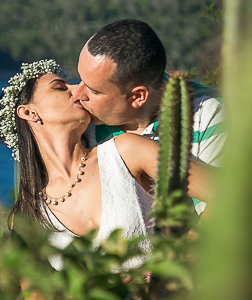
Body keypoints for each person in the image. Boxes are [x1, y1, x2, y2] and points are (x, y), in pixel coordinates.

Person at [0, 59, 214, 300]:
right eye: (59, 86)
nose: (76, 90)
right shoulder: (27, 216)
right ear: (28, 113)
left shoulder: (126, 151)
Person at [72, 19, 225, 214]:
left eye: (93, 90)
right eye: (80, 79)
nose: (76, 94)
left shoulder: (211, 114)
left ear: (137, 97)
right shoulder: (81, 120)